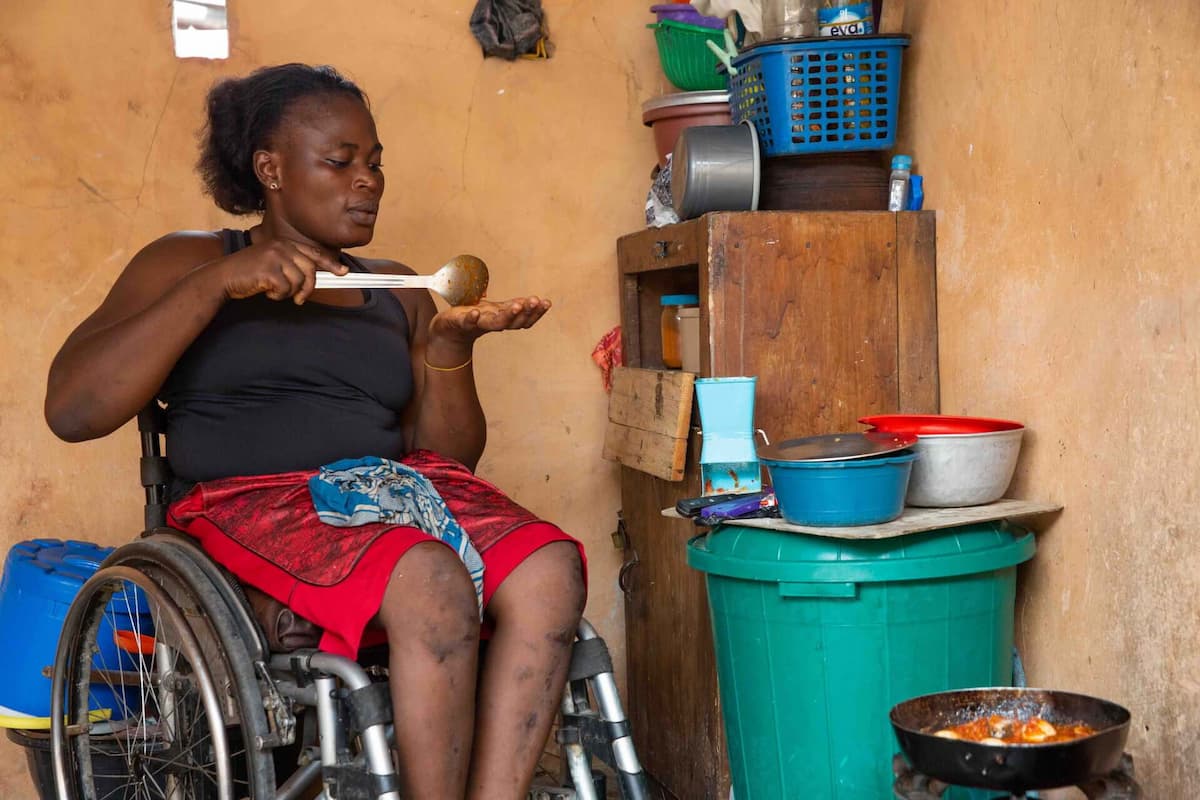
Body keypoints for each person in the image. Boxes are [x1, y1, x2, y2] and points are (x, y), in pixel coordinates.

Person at [43, 63, 586, 800]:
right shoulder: (190, 261)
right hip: (251, 505)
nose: (368, 180)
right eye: (341, 161)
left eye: (375, 162)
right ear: (270, 169)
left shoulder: (399, 289)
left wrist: (450, 350)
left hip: (393, 503)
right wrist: (213, 289)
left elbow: (448, 461)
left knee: (550, 567)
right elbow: (73, 410)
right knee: (429, 578)